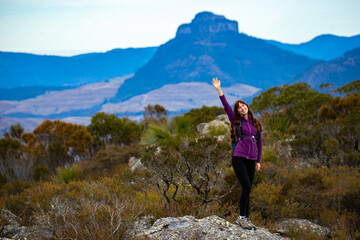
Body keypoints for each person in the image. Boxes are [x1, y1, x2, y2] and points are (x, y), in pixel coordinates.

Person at [212, 77, 262, 230]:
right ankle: (241, 218)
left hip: (252, 159)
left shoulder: (256, 123)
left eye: (243, 105)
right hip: (239, 157)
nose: (242, 108)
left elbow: (260, 143)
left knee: (249, 189)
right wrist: (219, 90)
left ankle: (246, 218)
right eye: (239, 107)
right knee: (246, 187)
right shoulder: (236, 120)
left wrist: (258, 161)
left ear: (247, 106)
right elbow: (226, 106)